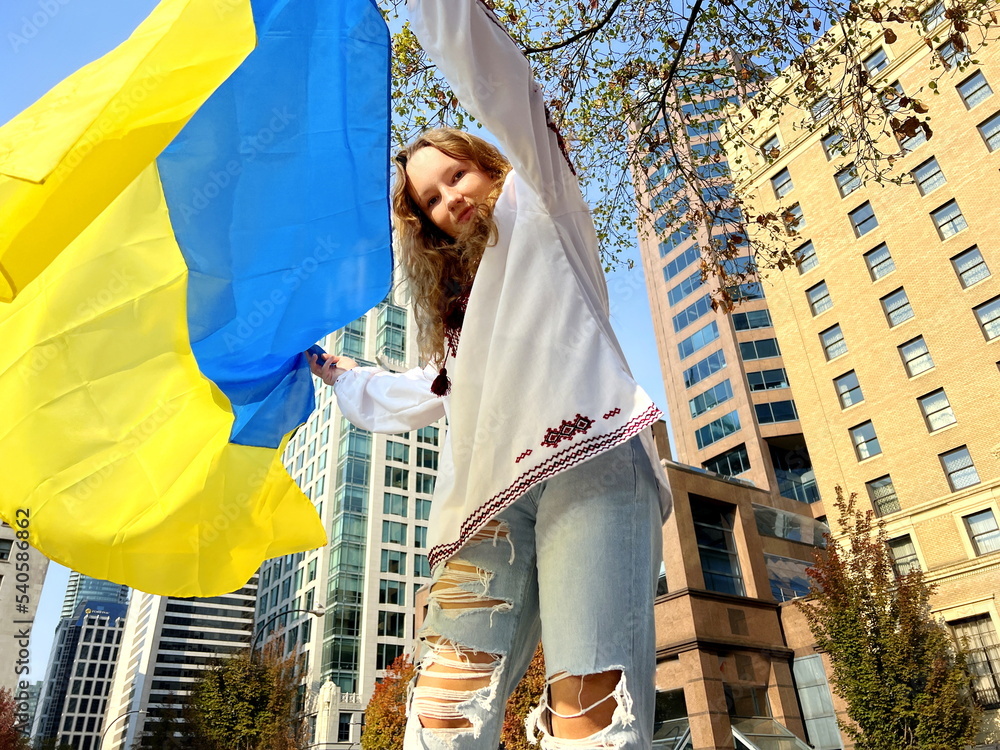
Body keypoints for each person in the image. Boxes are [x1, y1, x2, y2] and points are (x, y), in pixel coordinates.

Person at [309, 1, 672, 747]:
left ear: (491, 160)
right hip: (485, 513)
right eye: (431, 201)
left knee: (589, 721)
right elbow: (428, 396)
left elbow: (493, 73)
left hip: (590, 470)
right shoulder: (458, 320)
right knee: (439, 723)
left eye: (457, 175)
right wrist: (343, 375)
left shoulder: (545, 201)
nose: (450, 200)